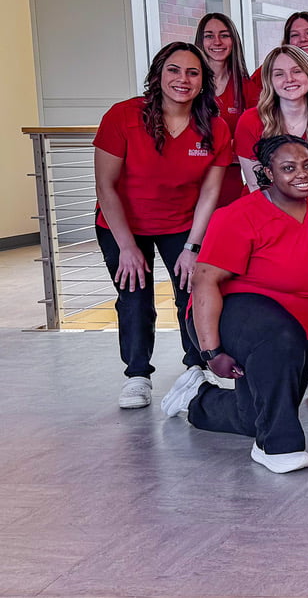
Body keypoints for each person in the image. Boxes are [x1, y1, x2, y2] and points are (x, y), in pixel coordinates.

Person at [160, 135, 308, 473]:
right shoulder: (239, 215)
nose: (301, 174)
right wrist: (211, 352)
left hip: (298, 333)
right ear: (267, 173)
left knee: (256, 415)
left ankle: (197, 399)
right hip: (234, 315)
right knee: (278, 353)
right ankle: (276, 447)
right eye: (288, 168)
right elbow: (203, 281)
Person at [94, 42, 232, 409]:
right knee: (135, 295)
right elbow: (105, 186)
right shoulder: (122, 117)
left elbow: (210, 192)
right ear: (158, 75)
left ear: (203, 81)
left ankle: (196, 366)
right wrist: (126, 247)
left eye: (192, 72)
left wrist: (193, 247)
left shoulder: (214, 127)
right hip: (122, 223)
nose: (182, 79)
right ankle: (137, 374)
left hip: (181, 224)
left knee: (192, 289)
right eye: (174, 70)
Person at [235, 45, 308, 200]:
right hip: (262, 207)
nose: (289, 79)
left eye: (297, 71)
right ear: (270, 81)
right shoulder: (250, 121)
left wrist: (302, 216)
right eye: (279, 74)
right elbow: (256, 185)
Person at [195, 13, 260, 207]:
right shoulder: (188, 85)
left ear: (234, 41)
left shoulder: (248, 88)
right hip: (191, 180)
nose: (217, 41)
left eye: (224, 35)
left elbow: (257, 140)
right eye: (209, 35)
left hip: (229, 179)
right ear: (200, 41)